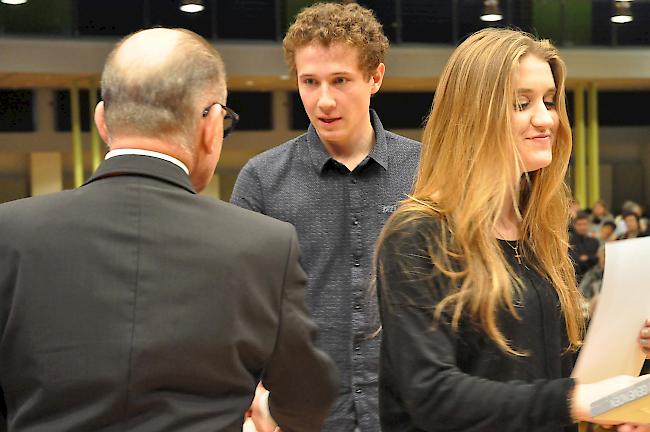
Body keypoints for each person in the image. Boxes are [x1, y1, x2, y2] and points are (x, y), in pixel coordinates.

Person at [0, 28, 338, 432]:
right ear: (211, 125)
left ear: (102, 121)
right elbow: (308, 399)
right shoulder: (264, 245)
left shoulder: (10, 233)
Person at [375, 28, 648, 432]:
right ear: (473, 115)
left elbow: (541, 368)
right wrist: (575, 399)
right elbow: (433, 395)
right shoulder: (418, 234)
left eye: (550, 102)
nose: (546, 119)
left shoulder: (540, 233)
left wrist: (624, 373)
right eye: (522, 104)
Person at [230, 3, 420, 430]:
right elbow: (241, 308)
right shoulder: (261, 180)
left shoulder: (426, 172)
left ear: (376, 78)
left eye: (340, 80)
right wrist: (255, 393)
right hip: (301, 418)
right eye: (309, 82)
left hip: (408, 415)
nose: (324, 100)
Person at [569, 211, 600, 283]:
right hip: (576, 279)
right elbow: (575, 261)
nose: (582, 227)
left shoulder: (594, 242)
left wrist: (588, 258)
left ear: (589, 225)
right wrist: (591, 258)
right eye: (579, 224)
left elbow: (598, 260)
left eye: (585, 224)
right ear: (574, 225)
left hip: (594, 279)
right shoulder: (570, 242)